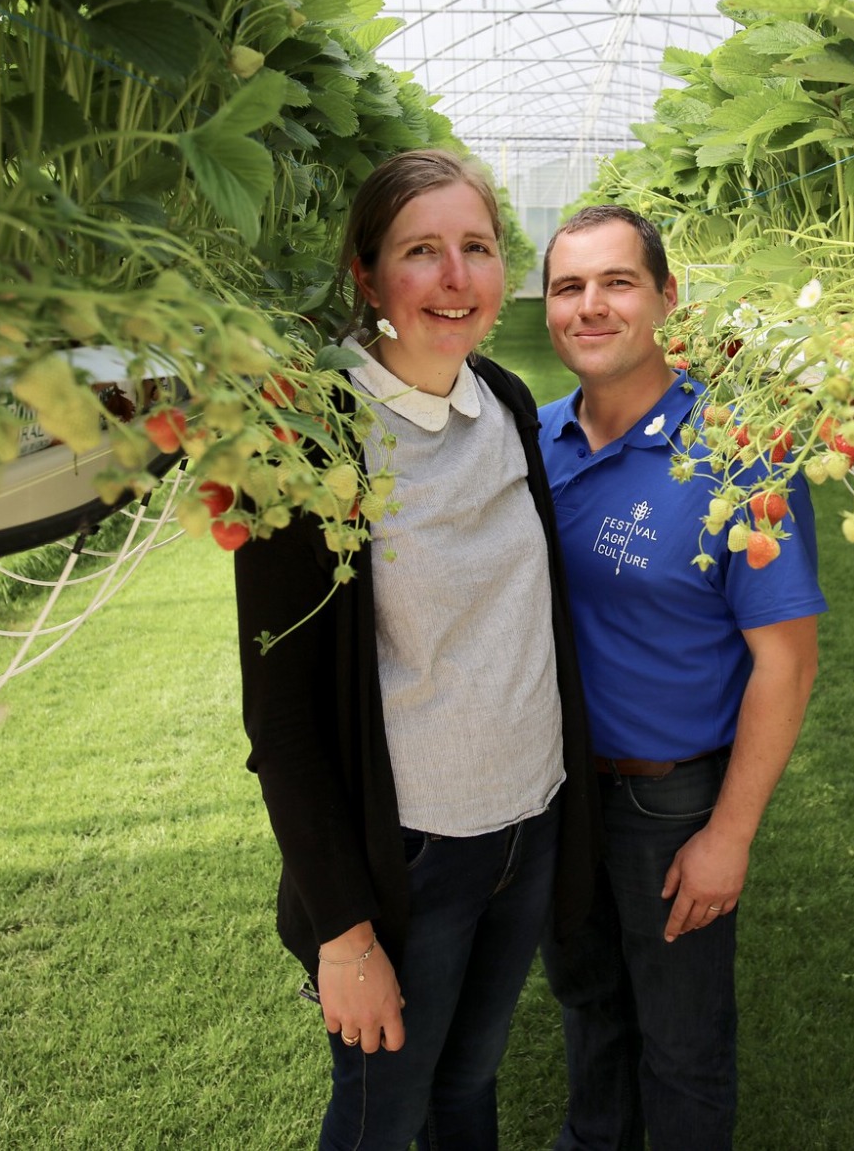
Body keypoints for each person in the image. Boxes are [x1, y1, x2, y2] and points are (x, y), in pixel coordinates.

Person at [234, 149, 599, 1151]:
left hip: (527, 822)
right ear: (365, 273)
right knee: (378, 1117)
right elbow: (284, 722)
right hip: (410, 854)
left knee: (467, 1083)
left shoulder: (508, 405)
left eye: (475, 248)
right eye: (421, 252)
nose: (455, 278)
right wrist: (345, 933)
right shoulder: (307, 443)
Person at [536, 204, 826, 1150]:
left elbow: (786, 660)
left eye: (617, 282)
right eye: (568, 287)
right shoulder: (531, 442)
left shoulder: (742, 452)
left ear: (667, 297)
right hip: (556, 792)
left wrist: (729, 835)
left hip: (672, 805)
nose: (591, 306)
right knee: (592, 1017)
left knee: (683, 1046)